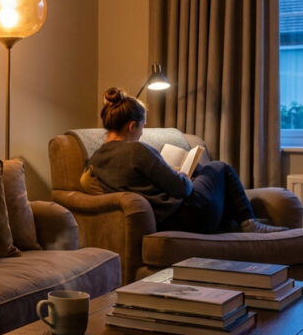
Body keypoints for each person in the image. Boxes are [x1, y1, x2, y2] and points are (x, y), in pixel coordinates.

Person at [84, 87, 285, 234]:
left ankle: (239, 224)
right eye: (142, 126)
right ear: (131, 126)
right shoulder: (138, 150)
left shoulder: (95, 160)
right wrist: (182, 176)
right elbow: (183, 190)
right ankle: (249, 222)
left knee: (199, 170)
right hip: (188, 217)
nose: (142, 132)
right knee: (219, 167)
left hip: (162, 221)